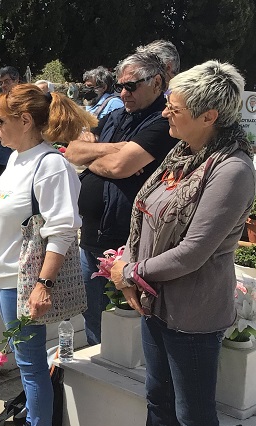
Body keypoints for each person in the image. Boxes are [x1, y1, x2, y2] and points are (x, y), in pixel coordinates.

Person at [105, 60, 254, 426]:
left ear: (209, 116)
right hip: (155, 302)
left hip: (193, 313)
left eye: (176, 108)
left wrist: (131, 272)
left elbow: (193, 252)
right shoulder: (183, 154)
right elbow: (146, 213)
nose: (166, 113)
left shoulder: (232, 169)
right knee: (159, 401)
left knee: (195, 417)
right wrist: (130, 269)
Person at [0, 84, 95, 426]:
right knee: (28, 363)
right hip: (3, 275)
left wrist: (44, 285)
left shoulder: (51, 165)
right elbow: (20, 214)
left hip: (23, 282)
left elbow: (61, 230)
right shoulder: (17, 158)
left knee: (31, 365)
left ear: (24, 121)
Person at [64, 52, 178, 345]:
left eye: (131, 86)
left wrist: (98, 155)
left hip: (129, 243)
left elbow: (119, 168)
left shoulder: (164, 122)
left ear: (156, 82)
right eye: (120, 86)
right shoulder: (115, 116)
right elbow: (72, 150)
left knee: (127, 330)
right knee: (94, 320)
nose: (123, 93)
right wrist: (119, 148)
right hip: (92, 239)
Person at [0, 66, 21, 185]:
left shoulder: (23, 101)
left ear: (16, 80)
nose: (3, 86)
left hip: (15, 154)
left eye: (7, 81)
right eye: (1, 83)